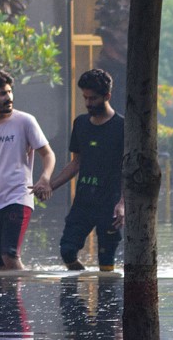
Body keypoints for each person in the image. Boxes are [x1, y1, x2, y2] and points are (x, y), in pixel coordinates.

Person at [0, 70, 57, 271]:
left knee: (9, 254)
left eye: (9, 92)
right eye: (2, 94)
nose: (9, 98)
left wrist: (45, 178)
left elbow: (48, 154)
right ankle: (7, 302)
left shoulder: (25, 121)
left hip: (18, 197)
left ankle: (20, 301)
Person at [45, 69, 125, 272]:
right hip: (83, 201)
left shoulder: (122, 127)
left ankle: (106, 296)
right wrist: (50, 186)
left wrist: (123, 203)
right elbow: (76, 163)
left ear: (107, 96)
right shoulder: (80, 124)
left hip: (110, 203)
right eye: (85, 98)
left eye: (93, 98)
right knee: (67, 250)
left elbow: (128, 170)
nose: (88, 103)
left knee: (106, 262)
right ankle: (78, 284)